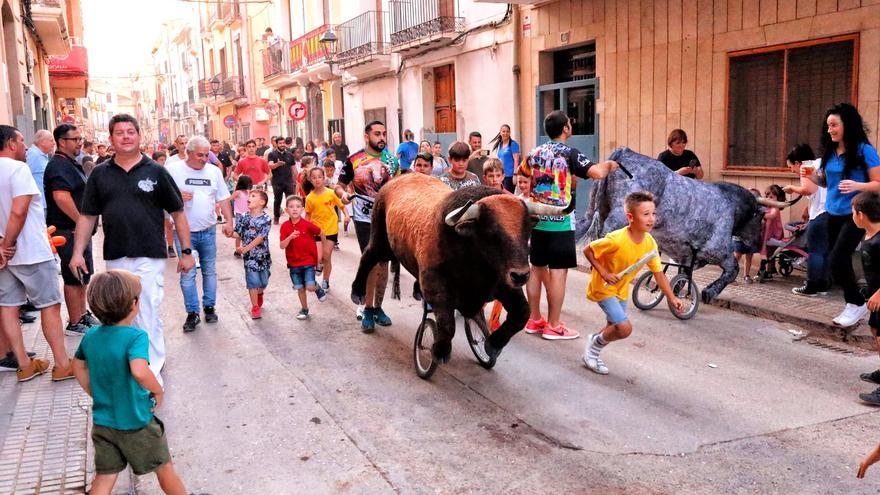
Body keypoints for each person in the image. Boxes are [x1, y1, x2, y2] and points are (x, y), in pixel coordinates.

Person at [70, 114, 195, 382]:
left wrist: (186, 252)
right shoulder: (100, 175)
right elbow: (88, 216)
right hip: (116, 254)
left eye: (130, 132)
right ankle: (132, 362)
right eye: (120, 133)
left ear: (139, 136)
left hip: (150, 254)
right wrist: (77, 252)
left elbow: (178, 212)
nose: (126, 136)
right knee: (120, 312)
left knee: (147, 308)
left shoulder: (157, 172)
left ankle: (151, 369)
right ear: (111, 138)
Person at [71, 270, 187, 495]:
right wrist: (158, 390)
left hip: (104, 423)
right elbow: (140, 372)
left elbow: (77, 366)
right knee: (164, 468)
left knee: (105, 476)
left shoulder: (91, 335)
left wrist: (95, 392)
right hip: (137, 422)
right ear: (133, 304)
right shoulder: (136, 337)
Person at [520, 110, 619, 340]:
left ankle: (534, 320)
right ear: (565, 129)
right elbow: (597, 173)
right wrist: (610, 164)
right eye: (569, 124)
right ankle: (554, 325)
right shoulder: (570, 153)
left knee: (536, 269)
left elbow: (522, 176)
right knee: (558, 273)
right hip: (560, 222)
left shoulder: (534, 152)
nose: (570, 127)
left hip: (536, 220)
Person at [0, 125, 74, 382]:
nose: (25, 146)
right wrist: (8, 243)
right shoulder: (18, 169)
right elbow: (19, 210)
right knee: (49, 307)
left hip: (3, 256)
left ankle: (24, 366)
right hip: (30, 250)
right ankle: (62, 365)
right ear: (10, 143)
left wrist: (1, 247)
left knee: (8, 307)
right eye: (21, 141)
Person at [582, 192, 683, 374]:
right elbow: (588, 250)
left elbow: (659, 274)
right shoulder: (616, 240)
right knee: (624, 329)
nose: (651, 219)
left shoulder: (650, 243)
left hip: (620, 290)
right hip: (603, 289)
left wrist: (671, 297)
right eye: (646, 214)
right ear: (630, 217)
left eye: (653, 213)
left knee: (612, 327)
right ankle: (593, 347)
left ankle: (593, 350)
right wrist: (604, 273)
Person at [801, 103, 880, 328]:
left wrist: (858, 184)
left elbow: (878, 184)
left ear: (848, 125)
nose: (830, 130)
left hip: (855, 212)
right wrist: (813, 177)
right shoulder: (831, 151)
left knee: (837, 257)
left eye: (834, 125)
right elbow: (827, 182)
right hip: (832, 211)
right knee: (835, 260)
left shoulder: (864, 150)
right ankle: (855, 302)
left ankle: (856, 303)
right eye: (828, 126)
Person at [334, 120, 399, 331]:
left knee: (383, 265)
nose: (381, 137)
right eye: (377, 133)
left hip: (387, 219)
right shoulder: (354, 160)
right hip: (363, 219)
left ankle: (378, 307)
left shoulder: (392, 161)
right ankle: (368, 309)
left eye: (384, 133)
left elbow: (398, 188)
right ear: (366, 136)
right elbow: (339, 186)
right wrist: (343, 195)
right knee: (370, 262)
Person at [165, 136, 234, 332]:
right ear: (188, 153)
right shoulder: (173, 170)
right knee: (188, 274)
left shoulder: (213, 171)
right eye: (200, 155)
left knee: (209, 270)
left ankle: (209, 307)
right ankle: (192, 313)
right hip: (183, 233)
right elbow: (159, 199)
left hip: (208, 230)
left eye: (207, 155)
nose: (204, 159)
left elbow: (223, 198)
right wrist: (176, 196)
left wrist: (229, 221)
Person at [44, 123, 100, 334]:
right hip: (68, 230)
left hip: (77, 231)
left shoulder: (70, 162)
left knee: (83, 274)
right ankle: (75, 322)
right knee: (73, 275)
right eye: (75, 139)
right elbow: (61, 197)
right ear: (61, 142)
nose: (80, 143)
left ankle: (82, 313)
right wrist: (80, 222)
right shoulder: (58, 165)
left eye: (80, 139)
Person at [851, 192, 880, 405]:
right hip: (874, 298)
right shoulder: (869, 235)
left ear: (861, 215)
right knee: (875, 331)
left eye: (853, 212)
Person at [280, 196, 328, 320]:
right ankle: (304, 309)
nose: (294, 209)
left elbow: (321, 232)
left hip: (308, 261)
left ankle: (317, 289)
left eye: (297, 206)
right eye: (291, 207)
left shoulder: (307, 225)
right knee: (300, 288)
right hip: (293, 263)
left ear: (302, 209)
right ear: (286, 210)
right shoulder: (285, 226)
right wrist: (289, 237)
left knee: (310, 286)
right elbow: (281, 246)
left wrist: (324, 248)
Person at [305, 167, 349, 291]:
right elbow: (308, 215)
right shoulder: (309, 198)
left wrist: (346, 215)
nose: (317, 180)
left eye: (320, 177)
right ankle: (318, 265)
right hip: (316, 230)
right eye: (314, 177)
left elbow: (342, 206)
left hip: (331, 229)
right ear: (310, 180)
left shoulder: (331, 193)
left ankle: (325, 281)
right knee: (318, 257)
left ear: (324, 178)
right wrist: (304, 229)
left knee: (327, 255)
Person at [232, 190, 271, 319]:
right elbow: (238, 233)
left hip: (263, 256)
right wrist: (228, 233)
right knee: (252, 282)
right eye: (249, 196)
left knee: (263, 282)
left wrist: (245, 248)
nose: (249, 197)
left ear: (262, 202)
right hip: (250, 258)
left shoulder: (266, 219)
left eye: (253, 196)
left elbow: (261, 237)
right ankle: (255, 307)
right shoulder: (243, 217)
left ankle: (260, 293)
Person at [733, 188, 761, 283]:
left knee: (749, 257)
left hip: (751, 238)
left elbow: (769, 215)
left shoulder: (759, 211)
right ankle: (731, 276)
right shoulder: (740, 208)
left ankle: (746, 275)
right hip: (739, 237)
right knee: (737, 256)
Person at [268, 136, 296, 224]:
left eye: (283, 143)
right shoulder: (272, 154)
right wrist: (278, 164)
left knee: (291, 200)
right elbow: (270, 166)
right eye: (280, 143)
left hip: (288, 181)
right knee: (277, 200)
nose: (282, 145)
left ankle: (293, 218)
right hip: (277, 182)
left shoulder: (290, 154)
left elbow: (294, 168)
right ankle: (276, 217)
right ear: (276, 144)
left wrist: (296, 179)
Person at [759, 185, 786, 273]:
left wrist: (761, 215)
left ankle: (769, 269)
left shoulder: (775, 208)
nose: (768, 199)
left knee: (770, 250)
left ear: (778, 199)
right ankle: (771, 268)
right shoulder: (768, 207)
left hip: (773, 233)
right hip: (768, 231)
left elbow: (772, 216)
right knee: (769, 251)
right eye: (767, 196)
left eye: (771, 197)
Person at [26, 129, 54, 209]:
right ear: (42, 142)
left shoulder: (42, 155)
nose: (54, 143)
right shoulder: (33, 155)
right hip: (38, 204)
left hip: (44, 203)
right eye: (51, 141)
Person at [489, 124, 521, 192]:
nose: (505, 133)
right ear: (500, 132)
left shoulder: (513, 144)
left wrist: (515, 175)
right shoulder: (500, 144)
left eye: (507, 131)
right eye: (503, 131)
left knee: (507, 195)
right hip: (501, 175)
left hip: (510, 176)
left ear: (510, 133)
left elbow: (516, 160)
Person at [231, 175, 252, 258]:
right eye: (249, 183)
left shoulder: (249, 192)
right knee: (239, 234)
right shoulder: (238, 192)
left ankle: (247, 249)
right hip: (240, 216)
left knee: (249, 233)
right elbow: (229, 199)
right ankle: (238, 250)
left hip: (248, 215)